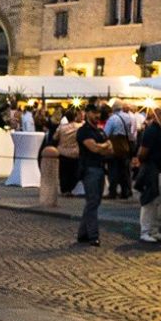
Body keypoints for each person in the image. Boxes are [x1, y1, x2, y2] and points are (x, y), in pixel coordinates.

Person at [135, 105, 161, 242]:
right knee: (149, 201)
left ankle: (153, 230)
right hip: (153, 170)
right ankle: (145, 231)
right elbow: (143, 152)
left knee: (156, 202)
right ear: (154, 115)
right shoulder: (152, 130)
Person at [74, 106, 113, 245]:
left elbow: (110, 150)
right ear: (88, 113)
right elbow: (94, 148)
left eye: (98, 113)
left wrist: (101, 147)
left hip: (100, 168)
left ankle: (82, 233)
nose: (97, 115)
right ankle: (93, 235)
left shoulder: (100, 131)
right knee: (92, 201)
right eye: (94, 113)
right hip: (89, 169)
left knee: (94, 202)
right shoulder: (84, 131)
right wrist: (104, 146)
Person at [105, 101, 136, 199]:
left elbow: (106, 133)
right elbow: (132, 133)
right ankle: (125, 191)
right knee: (124, 171)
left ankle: (112, 192)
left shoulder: (112, 119)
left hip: (115, 147)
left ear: (113, 109)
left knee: (113, 170)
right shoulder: (129, 117)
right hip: (125, 146)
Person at [54, 109, 81, 197]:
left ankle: (64, 190)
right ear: (75, 117)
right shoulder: (79, 127)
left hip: (63, 152)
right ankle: (71, 189)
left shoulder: (61, 127)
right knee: (73, 172)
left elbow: (55, 138)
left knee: (63, 173)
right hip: (75, 153)